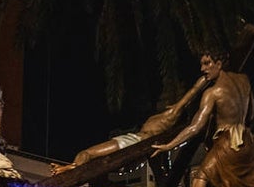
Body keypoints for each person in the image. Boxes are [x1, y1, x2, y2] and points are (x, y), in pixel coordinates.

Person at [152, 50, 254, 187]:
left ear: (219, 64)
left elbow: (195, 127)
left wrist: (170, 145)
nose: (202, 69)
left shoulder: (212, 93)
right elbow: (251, 113)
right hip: (247, 143)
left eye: (207, 63)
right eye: (202, 64)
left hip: (227, 142)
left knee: (199, 179)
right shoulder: (244, 80)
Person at [52, 75, 210, 174]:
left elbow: (192, 92)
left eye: (165, 95)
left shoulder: (171, 114)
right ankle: (70, 168)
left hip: (134, 142)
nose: (162, 98)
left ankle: (70, 168)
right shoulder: (162, 117)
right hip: (134, 141)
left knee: (87, 154)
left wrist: (205, 79)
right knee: (91, 159)